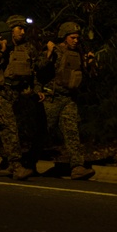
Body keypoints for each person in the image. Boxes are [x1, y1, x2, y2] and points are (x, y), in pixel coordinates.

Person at [0, 14, 42, 180]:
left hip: (16, 93)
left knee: (1, 127)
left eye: (24, 28)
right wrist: (1, 52)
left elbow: (34, 70)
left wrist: (37, 88)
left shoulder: (28, 48)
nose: (22, 31)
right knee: (10, 126)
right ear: (10, 30)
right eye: (19, 28)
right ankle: (16, 165)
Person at [40, 22, 95, 180]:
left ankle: (77, 166)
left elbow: (80, 75)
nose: (76, 41)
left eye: (77, 38)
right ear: (64, 38)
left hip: (69, 99)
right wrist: (48, 53)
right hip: (51, 98)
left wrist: (89, 64)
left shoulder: (79, 52)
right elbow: (39, 68)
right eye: (72, 38)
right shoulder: (55, 50)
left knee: (72, 131)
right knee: (43, 132)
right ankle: (26, 162)